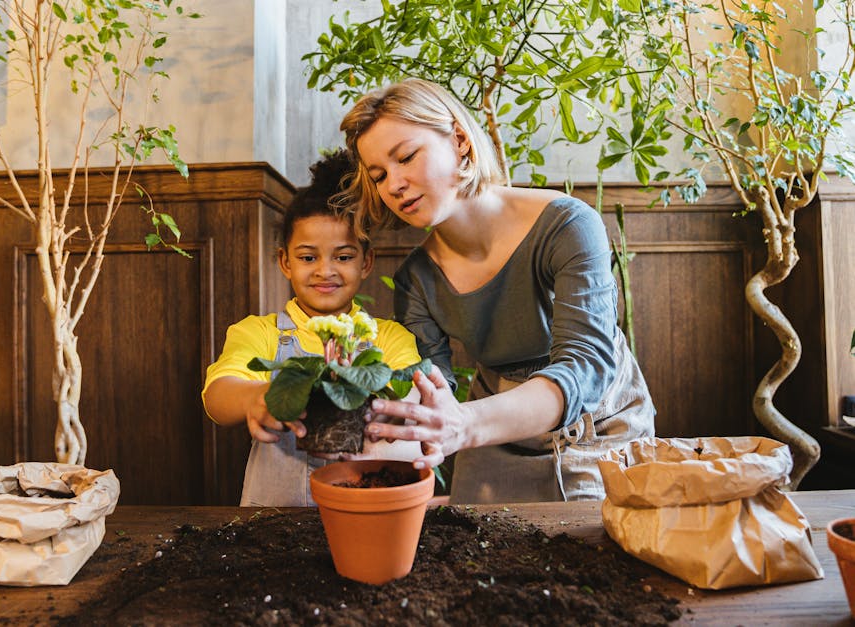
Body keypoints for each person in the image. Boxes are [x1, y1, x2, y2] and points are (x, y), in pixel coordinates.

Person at [335, 78, 655, 503]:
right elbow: (434, 388)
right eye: (378, 175)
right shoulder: (416, 280)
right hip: (490, 426)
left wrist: (465, 424)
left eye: (406, 157)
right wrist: (366, 409)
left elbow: (584, 367)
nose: (393, 185)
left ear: (461, 141)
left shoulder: (568, 225)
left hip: (598, 422)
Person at [201, 150, 422, 507]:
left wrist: (389, 404)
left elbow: (410, 390)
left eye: (343, 256)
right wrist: (258, 398)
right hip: (276, 516)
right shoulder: (261, 332)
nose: (325, 270)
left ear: (366, 262)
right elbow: (218, 395)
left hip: (365, 506)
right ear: (284, 262)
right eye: (308, 257)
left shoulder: (388, 336)